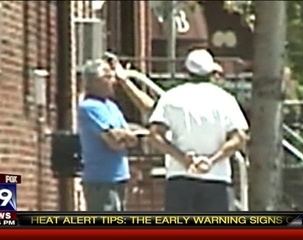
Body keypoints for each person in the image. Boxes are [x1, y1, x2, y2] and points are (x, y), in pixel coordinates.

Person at [147, 49, 249, 212]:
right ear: (211, 72)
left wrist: (182, 158)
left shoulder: (171, 97)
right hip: (216, 178)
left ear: (186, 71)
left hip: (180, 177)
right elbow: (239, 138)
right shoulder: (225, 99)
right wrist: (212, 160)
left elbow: (154, 135)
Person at [78, 59, 141, 211]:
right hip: (100, 180)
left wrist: (125, 136)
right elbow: (112, 141)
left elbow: (132, 139)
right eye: (108, 77)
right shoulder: (89, 107)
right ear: (93, 81)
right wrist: (122, 136)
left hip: (120, 177)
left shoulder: (112, 106)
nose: (113, 81)